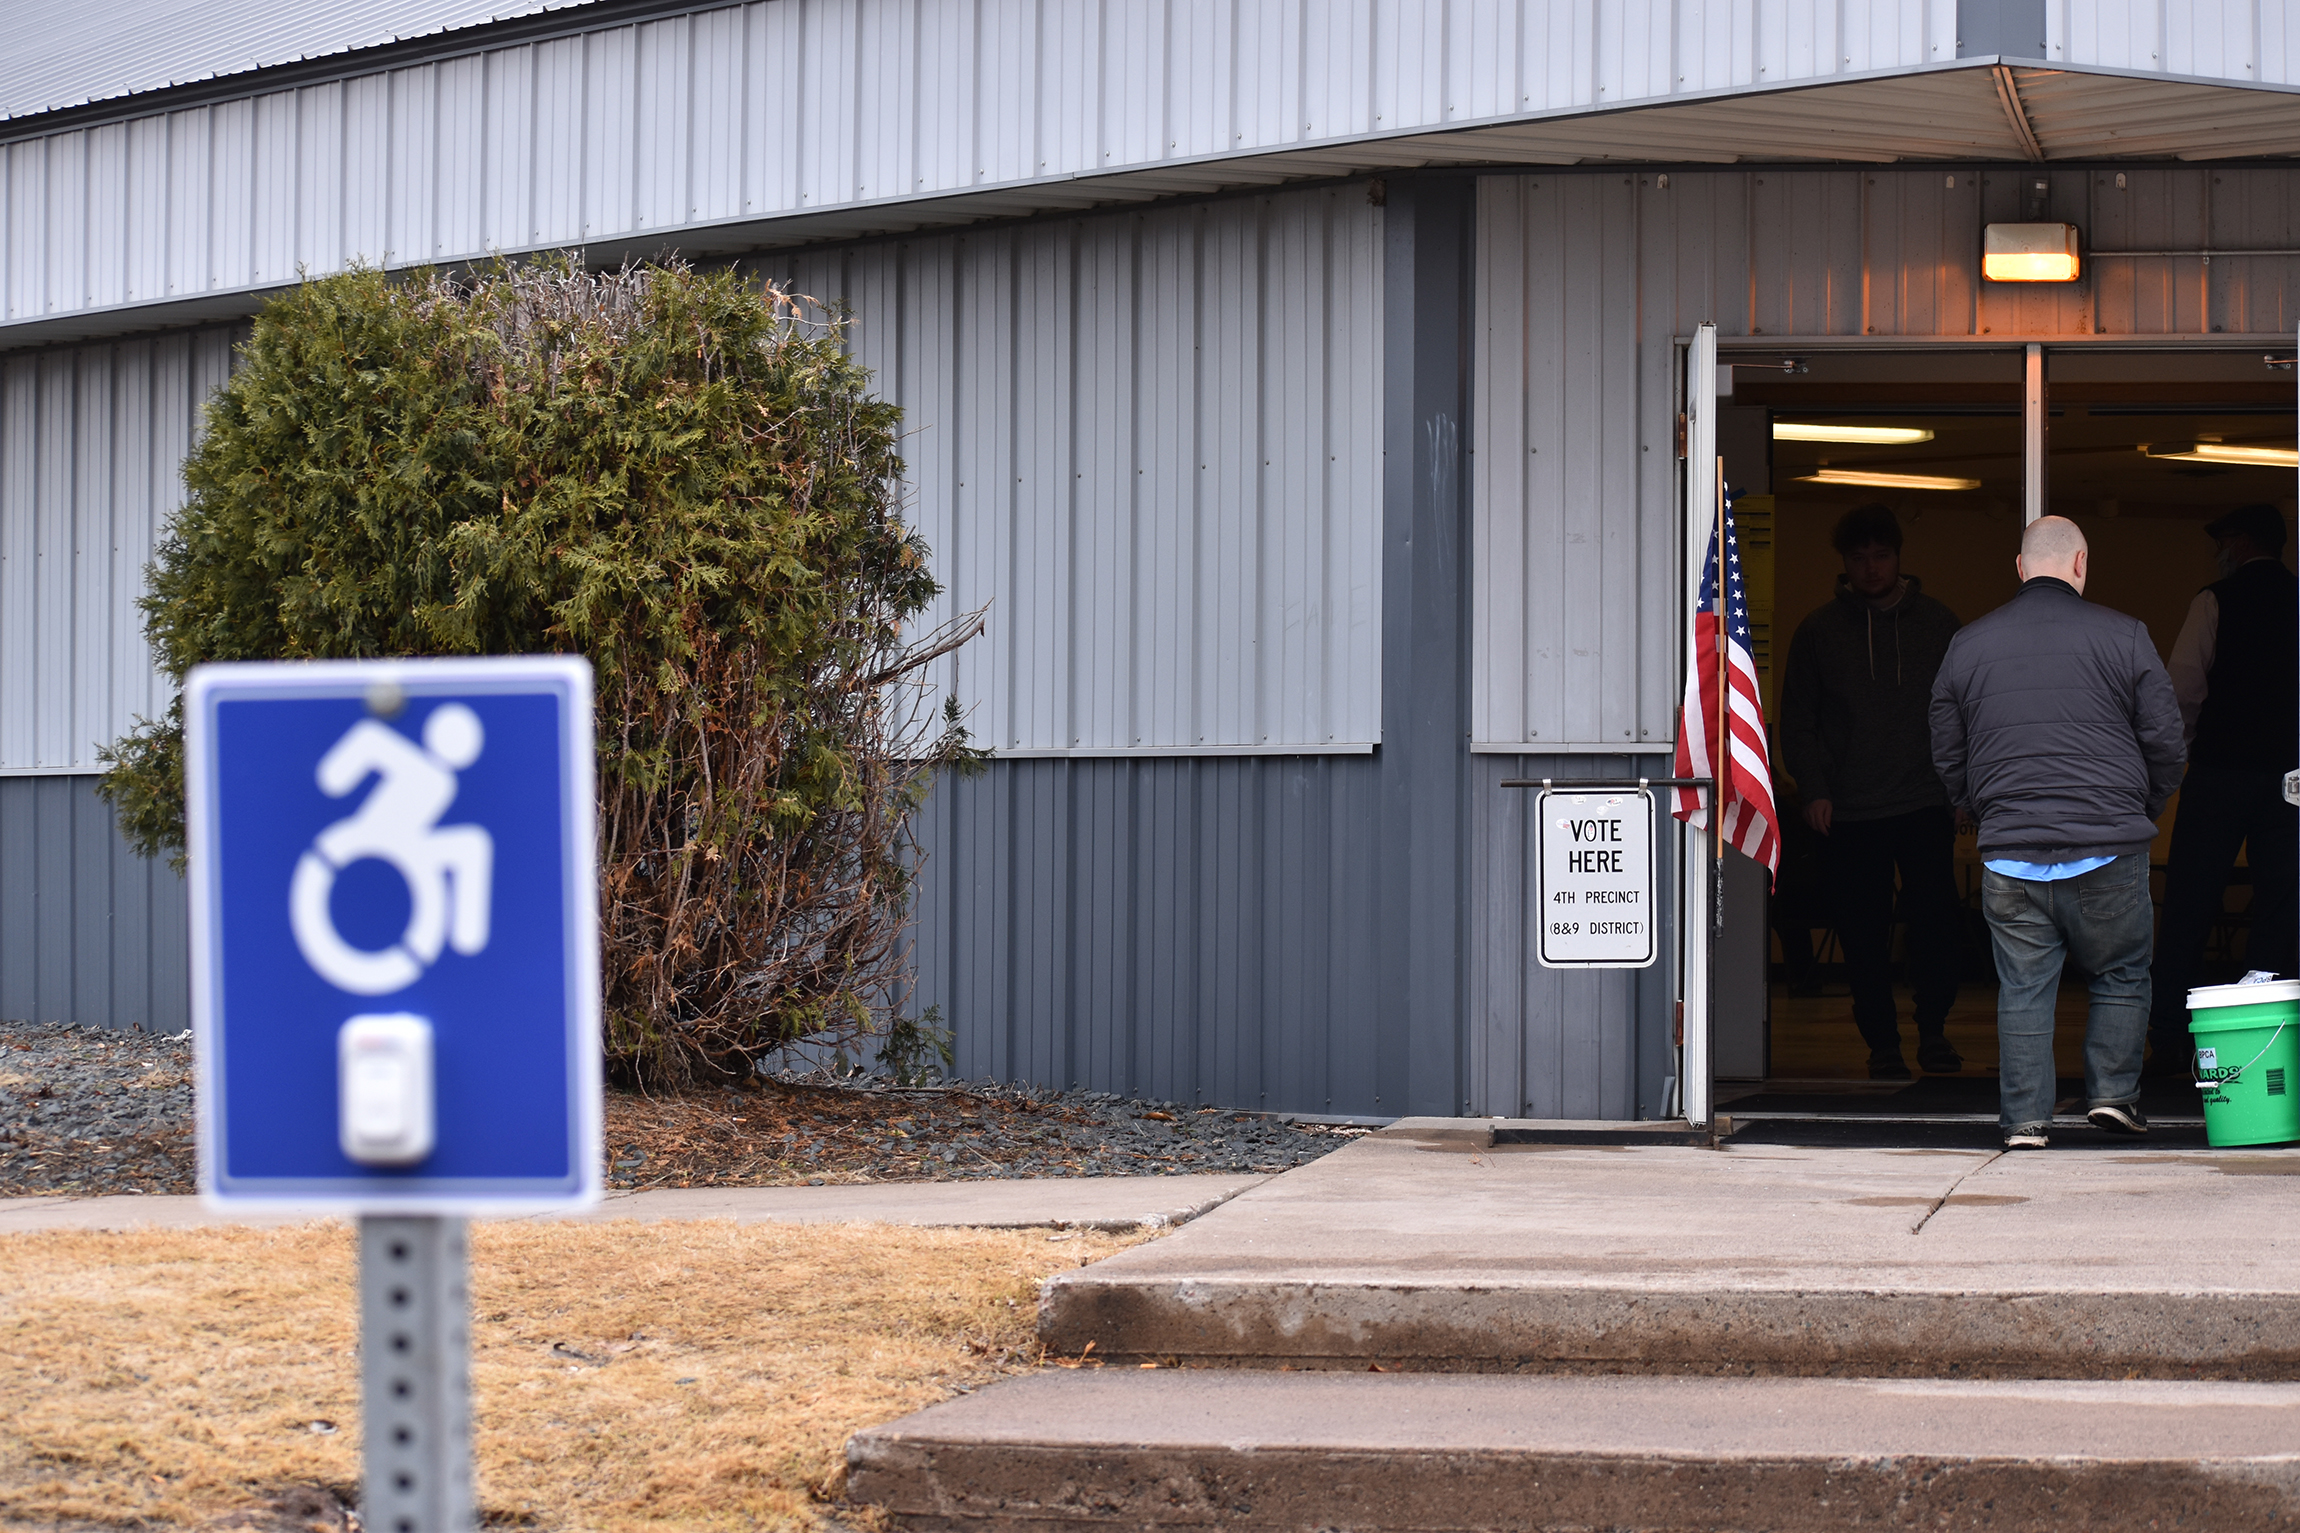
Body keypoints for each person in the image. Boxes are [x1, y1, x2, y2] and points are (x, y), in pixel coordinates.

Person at [1930, 517, 2185, 1149]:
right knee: (2123, 971)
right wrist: (2137, 807)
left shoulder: (1969, 643)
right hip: (2109, 848)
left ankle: (2026, 1122)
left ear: (2021, 568)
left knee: (2024, 986)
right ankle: (2113, 1097)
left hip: (2011, 854)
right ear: (2081, 564)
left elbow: (1945, 746)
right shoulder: (2126, 637)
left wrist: (1978, 808)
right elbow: (2168, 745)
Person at [1779, 504, 1965, 1080]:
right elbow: (1797, 720)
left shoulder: (1940, 625)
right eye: (1858, 558)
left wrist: (1961, 786)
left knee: (1938, 922)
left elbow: (1965, 712)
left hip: (1925, 798)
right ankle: (1882, 1044)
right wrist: (1813, 786)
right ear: (1844, 563)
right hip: (1849, 808)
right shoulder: (1818, 630)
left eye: (1880, 555)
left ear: (1898, 557)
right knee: (1862, 932)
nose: (1871, 567)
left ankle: (1933, 1031)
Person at [2146, 504, 2299, 1077]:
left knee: (2190, 902)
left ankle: (2167, 1038)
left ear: (2236, 543)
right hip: (2291, 778)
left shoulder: (2213, 600)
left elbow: (2181, 689)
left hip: (2220, 771)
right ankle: (2266, 1041)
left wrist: (2175, 759)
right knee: (2280, 908)